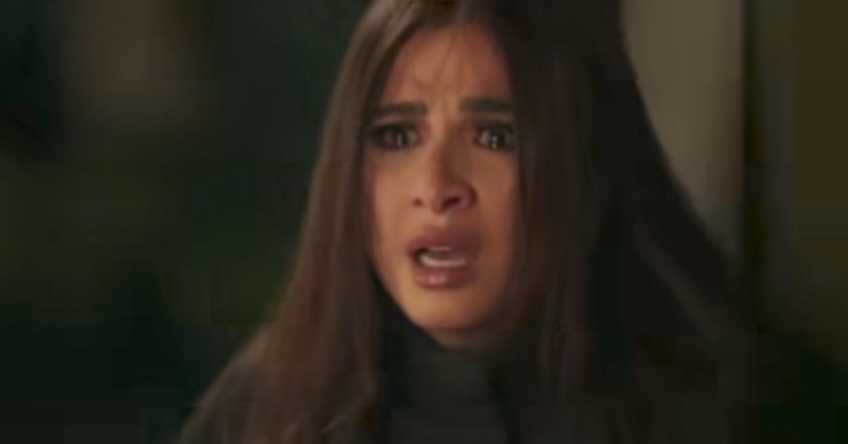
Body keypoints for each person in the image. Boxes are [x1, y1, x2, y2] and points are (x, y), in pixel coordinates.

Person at [175, 0, 756, 443]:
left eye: (494, 137)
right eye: (398, 136)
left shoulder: (717, 408)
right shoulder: (261, 411)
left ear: (585, 165)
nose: (436, 188)